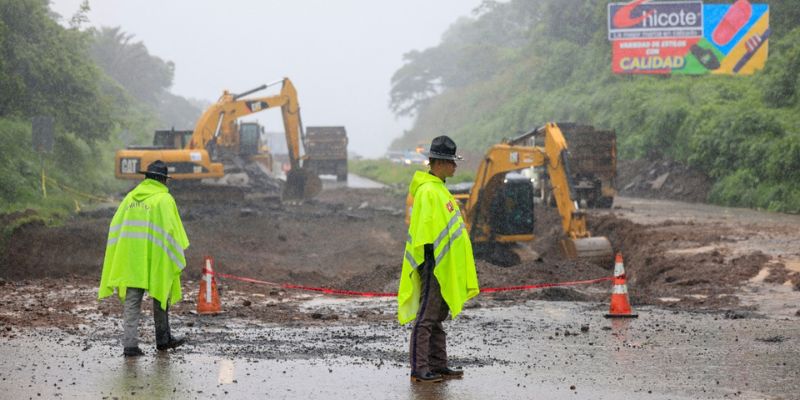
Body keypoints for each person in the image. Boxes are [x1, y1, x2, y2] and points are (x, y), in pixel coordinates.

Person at [397, 135, 480, 383]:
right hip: (434, 263)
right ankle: (419, 369)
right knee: (426, 318)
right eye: (452, 162)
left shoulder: (439, 189)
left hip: (443, 264)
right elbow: (426, 232)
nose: (455, 166)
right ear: (440, 163)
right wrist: (432, 264)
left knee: (436, 317)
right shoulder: (428, 191)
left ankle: (439, 365)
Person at [99, 160, 189, 357]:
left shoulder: (130, 198)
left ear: (147, 177)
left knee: (132, 302)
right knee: (160, 296)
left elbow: (116, 225)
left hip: (132, 258)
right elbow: (172, 232)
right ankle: (163, 340)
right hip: (156, 258)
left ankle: (130, 346)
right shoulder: (164, 200)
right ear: (162, 180)